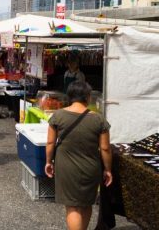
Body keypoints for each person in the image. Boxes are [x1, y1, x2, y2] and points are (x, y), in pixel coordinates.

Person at [45, 81, 112, 230]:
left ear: (69, 96)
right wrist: (107, 169)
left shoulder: (58, 115)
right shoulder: (98, 119)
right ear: (88, 97)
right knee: (86, 204)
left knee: (73, 207)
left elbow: (50, 143)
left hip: (66, 167)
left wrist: (48, 162)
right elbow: (105, 148)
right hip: (91, 167)